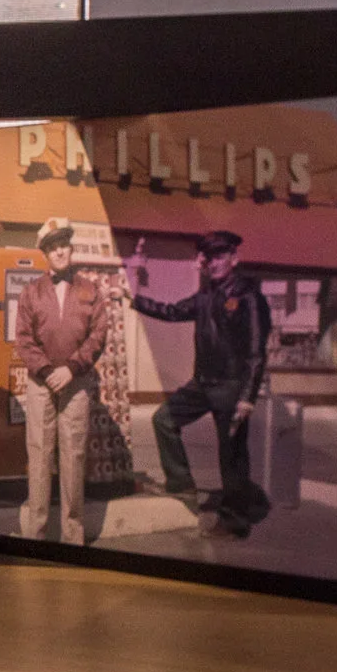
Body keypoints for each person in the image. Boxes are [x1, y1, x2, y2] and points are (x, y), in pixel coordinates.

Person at [126, 229, 273, 539]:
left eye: (221, 256)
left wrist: (247, 397)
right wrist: (133, 299)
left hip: (232, 388)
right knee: (163, 420)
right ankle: (182, 486)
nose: (214, 262)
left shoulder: (248, 296)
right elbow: (172, 311)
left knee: (231, 457)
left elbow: (256, 352)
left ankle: (234, 521)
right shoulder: (205, 296)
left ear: (234, 258)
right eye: (210, 257)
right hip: (202, 384)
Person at [12, 218, 106, 545]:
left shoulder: (90, 290)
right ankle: (36, 536)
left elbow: (98, 335)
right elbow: (23, 339)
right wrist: (47, 371)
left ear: (71, 248)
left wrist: (72, 368)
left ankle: (72, 537)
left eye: (64, 244)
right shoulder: (31, 291)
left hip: (76, 383)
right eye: (53, 247)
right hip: (41, 384)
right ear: (45, 253)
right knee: (39, 457)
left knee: (73, 456)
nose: (60, 252)